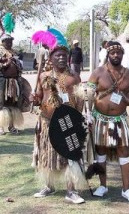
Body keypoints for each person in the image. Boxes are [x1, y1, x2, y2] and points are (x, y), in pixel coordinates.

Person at [87, 41, 129, 202]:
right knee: (101, 152)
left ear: (123, 55)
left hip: (120, 119)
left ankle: (126, 189)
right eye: (113, 53)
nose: (116, 55)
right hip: (100, 119)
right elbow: (88, 95)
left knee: (123, 152)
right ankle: (103, 186)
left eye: (119, 53)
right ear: (108, 55)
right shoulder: (98, 72)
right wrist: (87, 113)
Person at [31, 43, 85, 204]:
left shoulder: (74, 77)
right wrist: (34, 99)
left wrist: (77, 119)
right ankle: (49, 186)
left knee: (70, 156)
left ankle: (71, 191)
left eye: (64, 55)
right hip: (47, 121)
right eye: (57, 56)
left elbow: (80, 100)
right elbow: (39, 98)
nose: (61, 58)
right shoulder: (43, 76)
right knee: (46, 154)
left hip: (67, 122)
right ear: (50, 58)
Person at [0, 34, 24, 135]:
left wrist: (15, 62)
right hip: (2, 81)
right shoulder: (0, 51)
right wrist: (5, 64)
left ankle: (11, 126)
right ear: (3, 42)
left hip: (14, 82)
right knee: (1, 103)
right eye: (8, 41)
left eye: (11, 41)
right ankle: (1, 127)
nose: (10, 43)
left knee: (13, 103)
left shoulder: (14, 52)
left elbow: (20, 67)